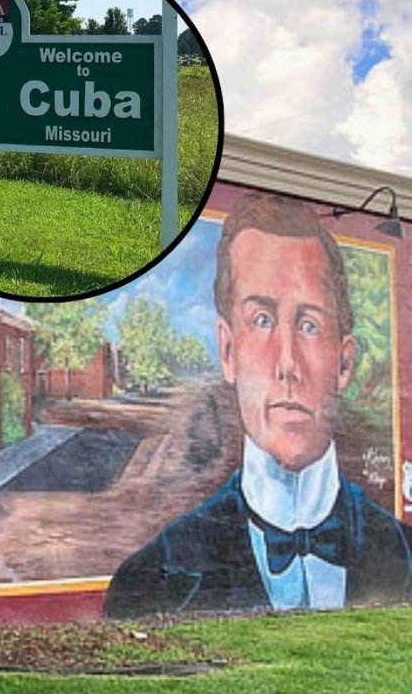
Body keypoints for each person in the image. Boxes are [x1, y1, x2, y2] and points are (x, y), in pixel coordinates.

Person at [105, 194, 412, 617]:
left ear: (344, 363)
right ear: (228, 351)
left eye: (309, 325)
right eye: (262, 320)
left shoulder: (403, 554)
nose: (287, 364)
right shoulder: (151, 580)